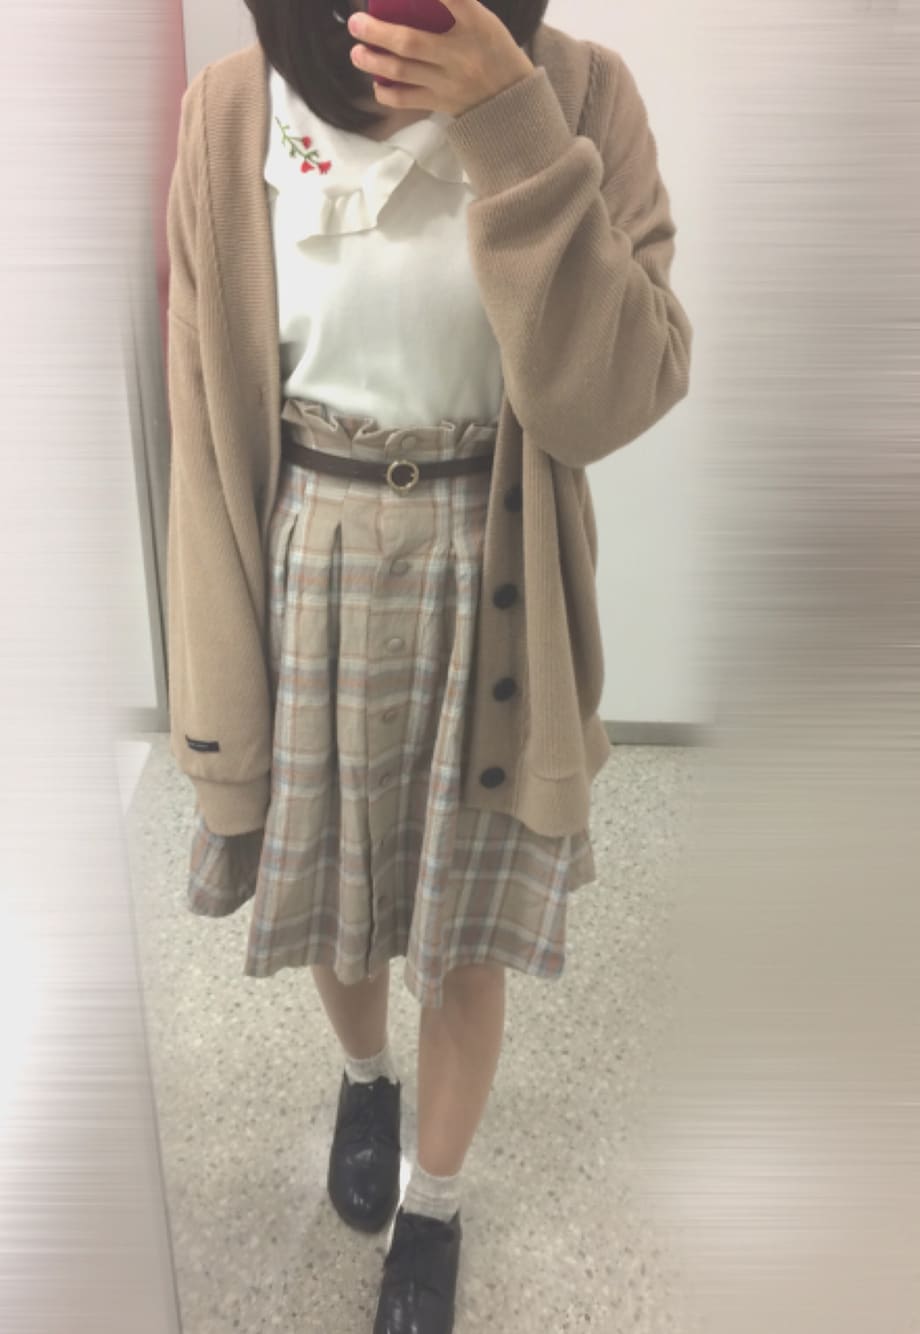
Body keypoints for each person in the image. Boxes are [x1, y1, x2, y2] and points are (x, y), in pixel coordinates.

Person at [165, 2, 693, 1330]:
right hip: (305, 556)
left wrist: (510, 124)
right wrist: (212, 679)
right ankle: (365, 1080)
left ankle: (435, 1205)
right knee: (335, 895)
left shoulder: (583, 95)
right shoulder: (233, 108)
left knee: (465, 935)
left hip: (492, 563)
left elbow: (617, 395)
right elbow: (202, 418)